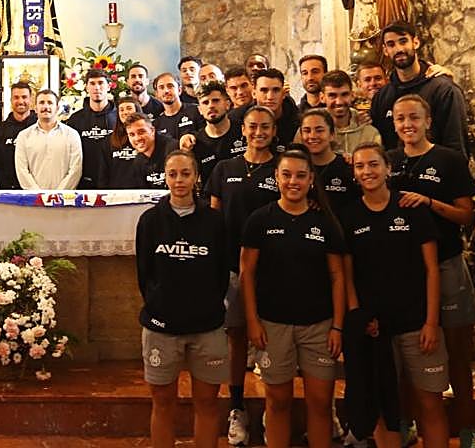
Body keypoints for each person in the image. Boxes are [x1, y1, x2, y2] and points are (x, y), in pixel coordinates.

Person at [340, 144, 448, 448]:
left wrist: (431, 321)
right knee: (384, 409)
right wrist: (359, 318)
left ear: (388, 168)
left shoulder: (410, 207)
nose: (367, 172)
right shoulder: (349, 215)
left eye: (373, 164)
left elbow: (431, 269)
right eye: (360, 167)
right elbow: (347, 276)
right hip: (375, 329)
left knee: (429, 403)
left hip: (417, 324)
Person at [386, 93, 475, 447]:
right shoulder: (389, 161)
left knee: (457, 350)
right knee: (411, 353)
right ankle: (407, 421)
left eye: (414, 118)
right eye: (400, 119)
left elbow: (466, 215)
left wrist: (429, 202)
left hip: (446, 262)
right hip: (406, 271)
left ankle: (466, 428)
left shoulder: (449, 160)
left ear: (427, 121)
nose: (407, 125)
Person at [240, 147, 345, 448]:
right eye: (286, 175)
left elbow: (338, 277)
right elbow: (247, 273)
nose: (293, 182)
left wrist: (337, 326)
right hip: (273, 325)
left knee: (321, 403)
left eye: (301, 176)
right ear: (276, 177)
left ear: (311, 179)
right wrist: (252, 321)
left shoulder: (325, 221)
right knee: (278, 401)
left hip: (319, 326)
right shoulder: (260, 220)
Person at [135, 151, 231, 448]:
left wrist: (208, 304)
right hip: (162, 327)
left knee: (207, 402)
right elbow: (144, 274)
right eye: (173, 174)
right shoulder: (150, 221)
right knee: (162, 402)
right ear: (165, 177)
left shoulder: (214, 221)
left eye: (185, 174)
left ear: (196, 177)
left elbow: (220, 272)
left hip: (207, 326)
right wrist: (159, 303)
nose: (179, 180)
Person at [205, 104, 280, 443]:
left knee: (276, 341)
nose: (258, 132)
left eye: (265, 127)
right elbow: (214, 220)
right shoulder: (225, 168)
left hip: (276, 267)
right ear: (243, 129)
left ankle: (275, 409)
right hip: (235, 267)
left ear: (274, 131)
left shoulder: (283, 168)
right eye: (252, 126)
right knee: (236, 338)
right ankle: (238, 407)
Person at [370, 22, 467, 154]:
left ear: (415, 43)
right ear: (385, 50)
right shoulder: (381, 98)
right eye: (391, 44)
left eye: (403, 41)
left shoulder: (444, 90)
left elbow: (456, 145)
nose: (398, 49)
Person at [178, 81, 243, 191]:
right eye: (205, 102)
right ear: (200, 110)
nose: (211, 106)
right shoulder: (195, 143)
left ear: (227, 104)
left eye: (216, 101)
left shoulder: (244, 131)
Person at [15, 89, 83, 190]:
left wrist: (58, 195)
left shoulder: (72, 135)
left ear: (57, 108)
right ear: (35, 108)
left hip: (64, 200)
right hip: (33, 201)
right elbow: (22, 170)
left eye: (50, 103)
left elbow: (76, 169)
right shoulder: (24, 136)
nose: (46, 107)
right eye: (42, 103)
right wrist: (37, 195)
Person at [64, 70, 117, 189]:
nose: (97, 87)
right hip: (84, 182)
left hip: (114, 181)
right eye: (92, 83)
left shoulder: (119, 117)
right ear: (86, 87)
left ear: (108, 86)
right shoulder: (75, 119)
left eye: (100, 83)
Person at [300, 108, 357, 209]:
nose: (312, 136)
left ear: (332, 135)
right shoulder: (298, 167)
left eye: (319, 130)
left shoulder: (348, 166)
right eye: (307, 131)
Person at [321, 70, 382, 156]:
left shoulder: (369, 133)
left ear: (352, 95)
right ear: (322, 97)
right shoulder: (310, 130)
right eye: (332, 95)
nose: (339, 102)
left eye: (344, 94)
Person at [0, 81, 36, 190]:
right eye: (16, 97)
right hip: (7, 190)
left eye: (24, 97)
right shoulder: (0, 130)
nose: (20, 101)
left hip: (36, 190)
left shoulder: (39, 127)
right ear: (11, 100)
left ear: (31, 100)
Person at [102, 95, 146, 189]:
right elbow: (103, 172)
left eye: (129, 108)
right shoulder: (109, 140)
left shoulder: (148, 137)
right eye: (121, 110)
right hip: (116, 193)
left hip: (144, 191)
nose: (125, 112)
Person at [250, 67, 300, 147]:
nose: (270, 97)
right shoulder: (239, 120)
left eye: (276, 90)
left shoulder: (299, 122)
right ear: (254, 94)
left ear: (283, 94)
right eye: (264, 90)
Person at [125, 114, 177, 189]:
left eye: (141, 132)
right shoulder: (138, 161)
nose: (137, 138)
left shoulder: (172, 149)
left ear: (152, 131)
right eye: (132, 135)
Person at [152, 72, 200, 142]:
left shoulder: (196, 111)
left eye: (170, 86)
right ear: (157, 94)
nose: (166, 91)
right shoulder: (156, 125)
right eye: (161, 87)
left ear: (179, 90)